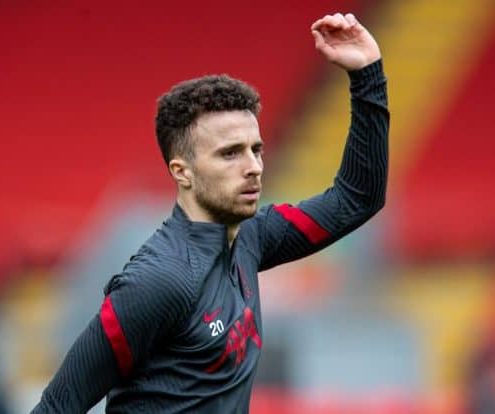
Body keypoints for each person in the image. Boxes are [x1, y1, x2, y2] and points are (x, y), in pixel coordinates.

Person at [32, 12, 389, 414]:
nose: (253, 165)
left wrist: (367, 75)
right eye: (230, 153)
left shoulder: (252, 237)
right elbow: (58, 404)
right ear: (181, 172)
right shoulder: (157, 281)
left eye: (256, 149)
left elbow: (358, 199)